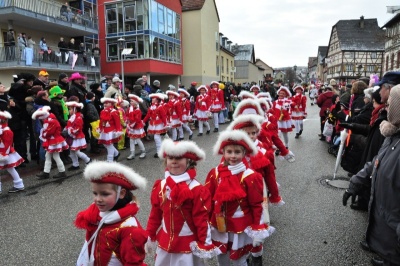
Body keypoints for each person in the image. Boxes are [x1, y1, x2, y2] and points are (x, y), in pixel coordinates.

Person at [343, 84, 400, 266]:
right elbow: (377, 162)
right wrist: (355, 182)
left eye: (390, 104)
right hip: (388, 229)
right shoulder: (393, 134)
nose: (386, 107)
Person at [205, 130, 275, 266]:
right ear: (223, 153)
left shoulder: (251, 176)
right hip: (219, 225)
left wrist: (258, 230)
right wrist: (205, 224)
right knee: (222, 258)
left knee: (239, 260)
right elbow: (208, 201)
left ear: (244, 153)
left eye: (237, 152)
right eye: (229, 151)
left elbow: (256, 205)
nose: (233, 155)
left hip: (241, 226)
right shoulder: (215, 173)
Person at [146, 139, 219, 265]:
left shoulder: (197, 189)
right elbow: (155, 214)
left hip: (187, 244)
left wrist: (205, 243)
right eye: (170, 158)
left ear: (188, 162)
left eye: (179, 158)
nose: (174, 161)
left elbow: (201, 219)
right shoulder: (161, 185)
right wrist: (150, 234)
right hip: (165, 242)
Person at [75, 161, 147, 265]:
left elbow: (133, 263)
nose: (98, 199)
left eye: (105, 194)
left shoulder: (129, 229)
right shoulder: (94, 214)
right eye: (95, 193)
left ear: (121, 193)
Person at [33, 106, 68, 179]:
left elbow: (49, 132)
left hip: (54, 141)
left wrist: (43, 134)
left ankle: (61, 171)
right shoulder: (49, 120)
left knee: (56, 156)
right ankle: (46, 172)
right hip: (52, 140)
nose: (41, 120)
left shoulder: (51, 121)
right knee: (48, 156)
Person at [0, 111, 25, 194]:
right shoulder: (2, 129)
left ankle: (19, 184)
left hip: (4, 153)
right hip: (3, 152)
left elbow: (7, 144)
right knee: (10, 168)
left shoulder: (6, 131)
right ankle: (19, 184)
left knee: (10, 168)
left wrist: (4, 154)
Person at [64, 101, 91, 170]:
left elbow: (78, 129)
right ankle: (75, 164)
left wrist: (70, 131)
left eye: (70, 109)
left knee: (77, 151)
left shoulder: (78, 118)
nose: (69, 110)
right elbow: (69, 126)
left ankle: (88, 160)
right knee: (72, 151)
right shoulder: (73, 117)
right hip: (72, 136)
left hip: (77, 137)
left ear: (75, 109)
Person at [143, 93, 168, 157]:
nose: (152, 99)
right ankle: (165, 148)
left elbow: (164, 116)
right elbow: (148, 115)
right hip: (153, 124)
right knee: (161, 137)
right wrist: (143, 121)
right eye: (152, 98)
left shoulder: (160, 107)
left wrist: (165, 124)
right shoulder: (151, 107)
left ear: (157, 100)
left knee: (156, 137)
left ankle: (159, 152)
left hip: (159, 124)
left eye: (153, 98)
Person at [98, 98, 122, 162]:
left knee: (109, 145)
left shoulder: (114, 112)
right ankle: (116, 153)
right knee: (105, 144)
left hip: (111, 131)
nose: (105, 104)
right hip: (104, 130)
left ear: (111, 104)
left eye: (107, 103)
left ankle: (110, 160)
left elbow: (117, 122)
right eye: (104, 103)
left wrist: (118, 131)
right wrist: (100, 127)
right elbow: (101, 121)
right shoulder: (103, 111)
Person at [126, 94, 146, 160]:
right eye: (130, 101)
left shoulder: (138, 110)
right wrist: (127, 121)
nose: (130, 102)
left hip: (136, 126)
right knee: (131, 140)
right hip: (131, 125)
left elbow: (137, 120)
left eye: (132, 101)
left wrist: (131, 124)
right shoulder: (130, 109)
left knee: (138, 139)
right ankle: (132, 153)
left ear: (136, 102)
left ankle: (143, 151)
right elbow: (127, 116)